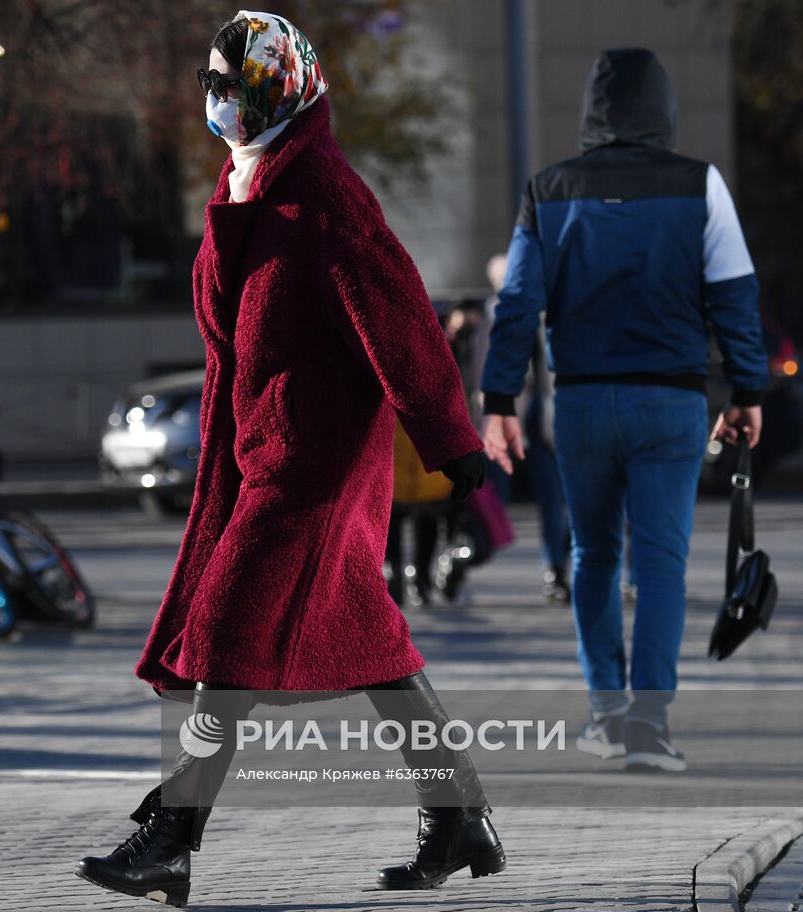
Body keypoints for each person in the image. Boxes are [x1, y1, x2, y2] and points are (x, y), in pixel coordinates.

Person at [76, 12, 503, 906]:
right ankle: (458, 815)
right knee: (370, 637)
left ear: (279, 88)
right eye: (211, 85)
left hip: (314, 460)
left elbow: (400, 315)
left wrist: (449, 436)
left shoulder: (323, 191)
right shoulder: (250, 182)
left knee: (227, 625)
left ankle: (171, 839)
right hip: (266, 447)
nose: (216, 100)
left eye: (232, 87)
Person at [480, 49, 768, 773]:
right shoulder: (701, 184)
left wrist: (498, 400)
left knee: (593, 556)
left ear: (591, 112)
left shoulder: (548, 191)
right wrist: (747, 391)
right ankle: (649, 721)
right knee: (663, 562)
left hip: (579, 403)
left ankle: (606, 712)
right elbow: (734, 294)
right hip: (670, 402)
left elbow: (517, 302)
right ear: (664, 108)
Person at [476, 254, 571, 602]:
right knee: (492, 500)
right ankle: (466, 555)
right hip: (504, 417)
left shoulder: (545, 312)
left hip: (543, 420)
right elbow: (482, 372)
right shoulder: (492, 316)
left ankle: (556, 568)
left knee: (554, 498)